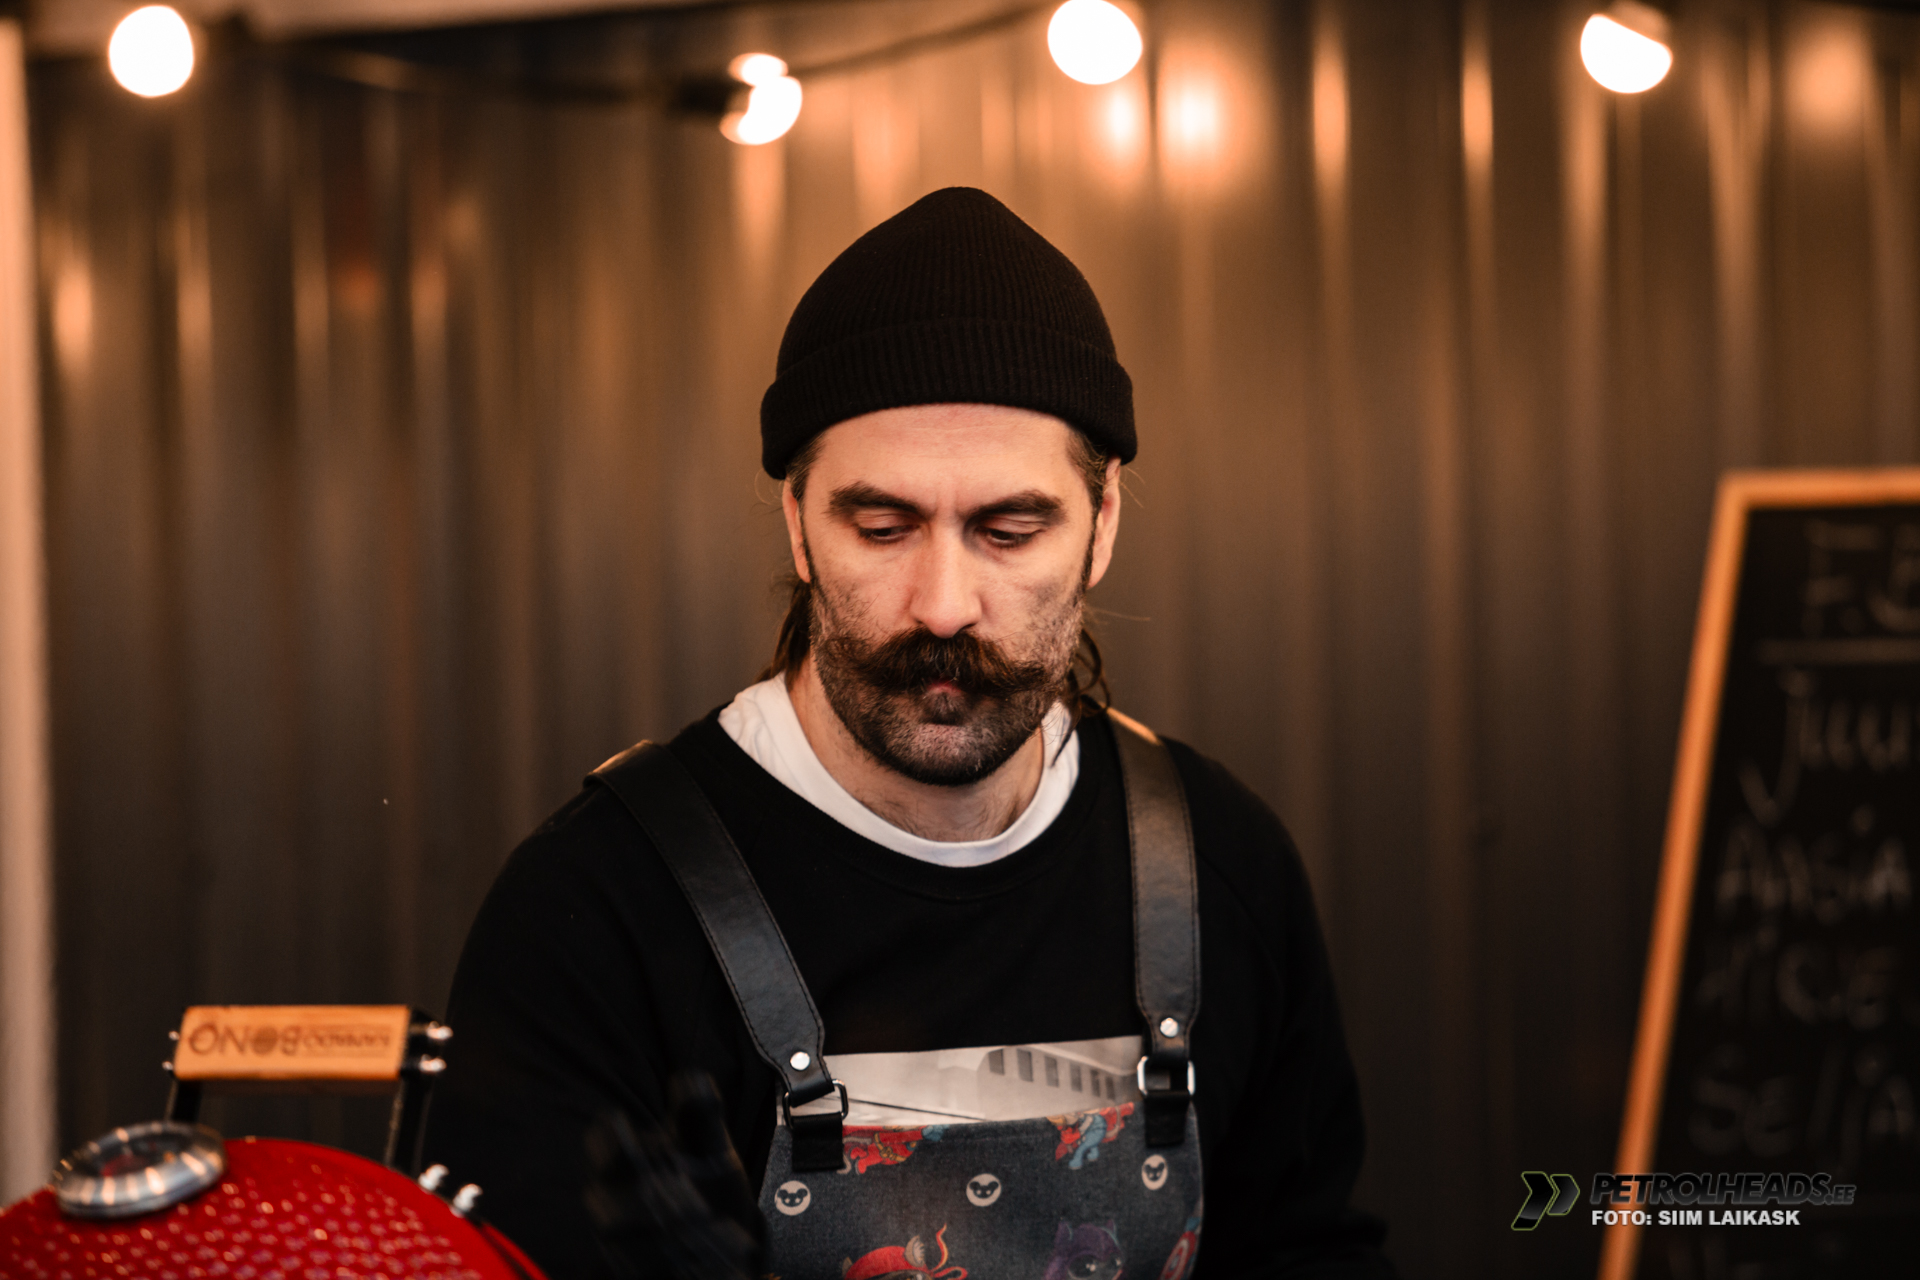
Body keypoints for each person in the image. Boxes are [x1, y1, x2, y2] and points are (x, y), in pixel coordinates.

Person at [422, 187, 1396, 1279]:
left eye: (1008, 529)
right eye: (882, 526)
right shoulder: (598, 909)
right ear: (798, 523)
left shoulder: (1221, 868)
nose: (941, 606)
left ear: (1103, 522)